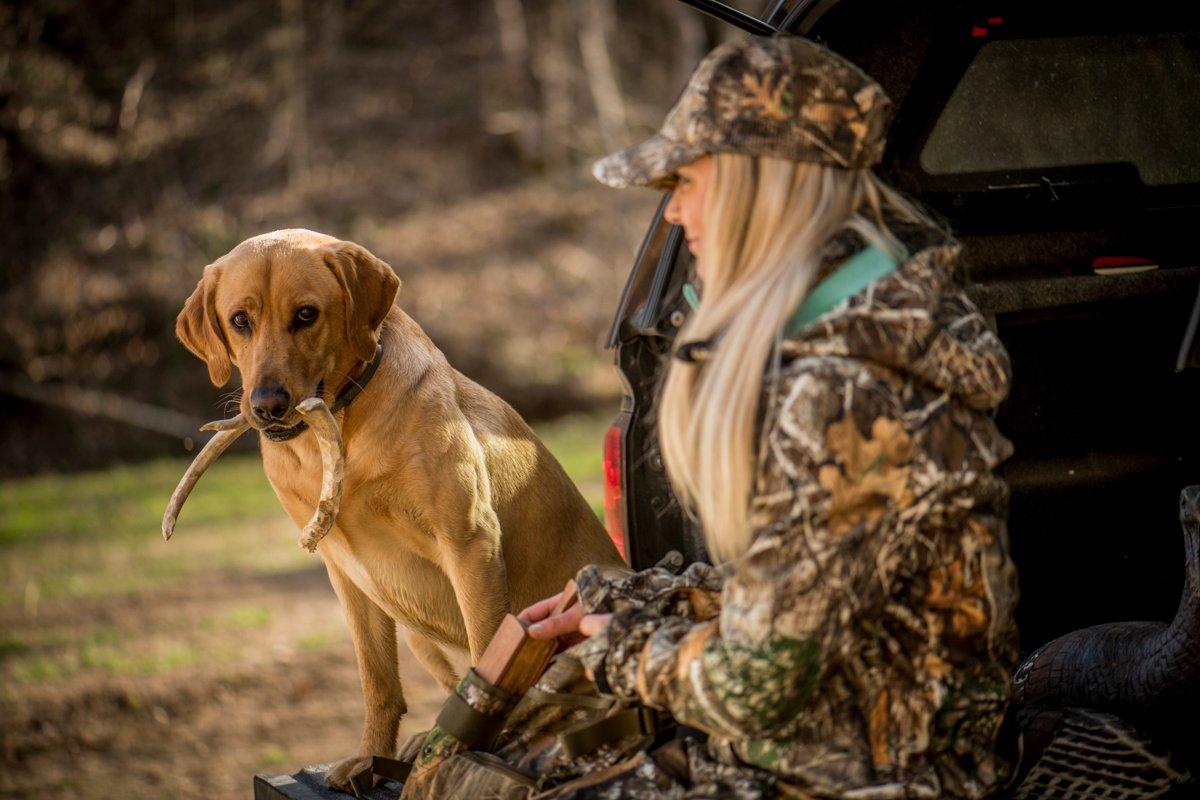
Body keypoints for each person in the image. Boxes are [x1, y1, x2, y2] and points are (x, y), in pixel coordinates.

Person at [518, 33, 1020, 800]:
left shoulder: (845, 393)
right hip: (839, 748)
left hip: (874, 779)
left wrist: (612, 646)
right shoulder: (858, 344)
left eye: (687, 180)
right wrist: (628, 599)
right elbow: (805, 587)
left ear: (763, 188)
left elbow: (758, 687)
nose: (675, 210)